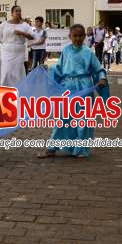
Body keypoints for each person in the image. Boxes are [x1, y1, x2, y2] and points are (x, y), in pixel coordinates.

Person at [37, 24, 108, 159]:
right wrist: (48, 73)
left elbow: (98, 69)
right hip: (68, 87)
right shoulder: (66, 51)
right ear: (70, 36)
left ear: (85, 36)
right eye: (75, 36)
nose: (78, 38)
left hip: (84, 87)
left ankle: (80, 149)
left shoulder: (88, 52)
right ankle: (52, 148)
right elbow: (58, 69)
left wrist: (102, 78)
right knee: (63, 117)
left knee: (84, 118)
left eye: (81, 36)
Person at [0, 5, 34, 87]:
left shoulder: (25, 25)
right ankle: (5, 88)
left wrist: (22, 33)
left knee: (17, 72)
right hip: (7, 52)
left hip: (19, 52)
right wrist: (6, 43)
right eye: (16, 11)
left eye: (19, 11)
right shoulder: (4, 24)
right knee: (6, 71)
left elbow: (32, 36)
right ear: (12, 13)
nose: (18, 12)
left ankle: (19, 89)